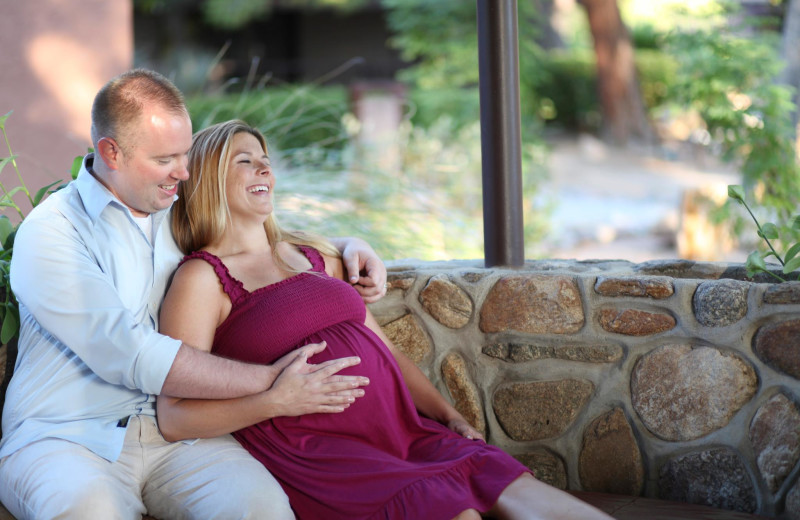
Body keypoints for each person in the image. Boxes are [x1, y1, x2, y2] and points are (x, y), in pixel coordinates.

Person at [157, 120, 615, 520]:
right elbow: (175, 417)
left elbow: (386, 351)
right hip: (323, 455)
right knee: (459, 515)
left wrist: (447, 414)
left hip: (402, 432)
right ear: (211, 178)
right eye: (244, 161)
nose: (265, 169)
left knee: (522, 491)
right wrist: (274, 401)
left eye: (265, 159)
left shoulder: (314, 256)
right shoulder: (202, 278)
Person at [0, 69, 385, 520]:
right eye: (166, 159)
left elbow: (259, 241)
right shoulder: (53, 232)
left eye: (184, 155)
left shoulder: (176, 211)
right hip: (65, 438)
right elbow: (129, 354)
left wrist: (348, 246)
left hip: (178, 440)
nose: (183, 172)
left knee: (262, 510)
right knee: (88, 511)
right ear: (111, 153)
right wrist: (273, 383)